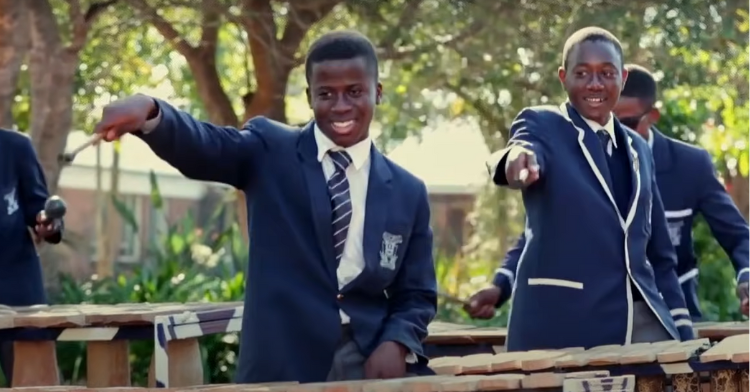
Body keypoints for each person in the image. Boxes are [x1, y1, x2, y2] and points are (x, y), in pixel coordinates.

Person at [92, 30, 437, 383]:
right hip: (281, 361)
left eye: (354, 92)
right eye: (326, 94)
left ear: (377, 92)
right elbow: (207, 146)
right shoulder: (271, 149)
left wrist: (395, 342)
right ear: (309, 97)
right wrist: (153, 112)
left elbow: (417, 293)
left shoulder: (408, 191)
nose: (341, 106)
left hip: (367, 361)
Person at [469, 64, 750, 321]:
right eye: (601, 120)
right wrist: (501, 284)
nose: (610, 130)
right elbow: (541, 232)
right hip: (598, 317)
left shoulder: (690, 165)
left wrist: (747, 275)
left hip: (670, 312)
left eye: (624, 122)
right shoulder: (577, 161)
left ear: (651, 117)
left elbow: (737, 235)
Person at [477, 26, 693, 351]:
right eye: (582, 73)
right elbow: (520, 148)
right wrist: (514, 160)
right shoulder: (543, 124)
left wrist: (684, 331)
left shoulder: (638, 148)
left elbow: (660, 255)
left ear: (622, 77)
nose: (595, 84)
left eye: (606, 73)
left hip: (640, 326)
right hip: (561, 329)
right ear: (563, 77)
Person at [0, 129, 64, 385]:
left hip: (17, 292)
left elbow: (40, 208)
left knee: (35, 384)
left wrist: (48, 223)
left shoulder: (15, 147)